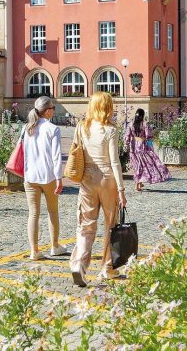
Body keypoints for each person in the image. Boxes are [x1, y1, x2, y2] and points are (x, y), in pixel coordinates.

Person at [70, 92, 126, 287]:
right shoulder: (110, 130)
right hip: (107, 179)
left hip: (87, 178)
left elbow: (75, 152)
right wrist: (121, 189)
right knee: (111, 224)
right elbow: (115, 161)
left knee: (85, 224)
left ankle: (79, 264)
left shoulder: (81, 127)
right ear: (107, 107)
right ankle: (107, 268)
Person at [22, 96, 67, 261]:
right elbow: (56, 156)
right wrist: (59, 178)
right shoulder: (53, 128)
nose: (54, 111)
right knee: (52, 212)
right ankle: (55, 246)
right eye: (52, 108)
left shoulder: (27, 128)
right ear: (47, 111)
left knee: (33, 214)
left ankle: (34, 250)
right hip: (48, 176)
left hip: (30, 176)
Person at [125, 108, 171, 192]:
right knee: (144, 165)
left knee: (136, 166)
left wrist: (127, 144)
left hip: (133, 148)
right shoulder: (145, 124)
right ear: (143, 115)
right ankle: (137, 185)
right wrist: (150, 145)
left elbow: (127, 137)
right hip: (142, 147)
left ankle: (139, 182)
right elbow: (148, 136)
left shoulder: (130, 124)